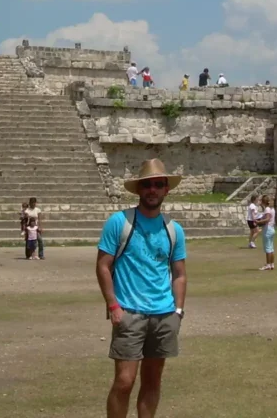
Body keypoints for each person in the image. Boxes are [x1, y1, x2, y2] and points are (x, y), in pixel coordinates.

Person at [96, 158, 187, 418]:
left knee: (152, 382)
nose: (152, 190)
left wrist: (178, 311)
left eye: (158, 184)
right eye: (147, 184)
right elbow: (103, 266)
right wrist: (113, 305)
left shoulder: (173, 229)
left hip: (164, 314)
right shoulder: (119, 222)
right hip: (129, 314)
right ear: (139, 189)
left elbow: (179, 274)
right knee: (124, 381)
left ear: (166, 189)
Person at [256, 195, 276, 271]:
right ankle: (271, 264)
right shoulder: (272, 209)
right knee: (271, 248)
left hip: (268, 229)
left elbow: (267, 219)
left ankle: (268, 265)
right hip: (271, 228)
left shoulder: (267, 209)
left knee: (268, 248)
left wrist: (259, 222)